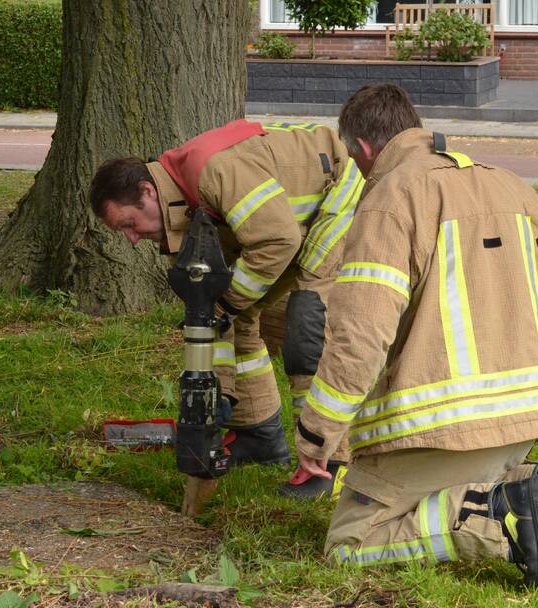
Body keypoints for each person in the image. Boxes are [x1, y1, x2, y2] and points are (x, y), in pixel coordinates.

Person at [293, 84, 538, 589]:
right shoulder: (514, 187)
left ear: (363, 151)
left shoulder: (390, 200)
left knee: (349, 544)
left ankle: (494, 519)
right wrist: (528, 357)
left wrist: (317, 432)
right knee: (462, 482)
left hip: (440, 431)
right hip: (525, 423)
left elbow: (360, 334)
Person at [89, 119, 365, 498]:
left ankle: (330, 465)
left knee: (307, 327)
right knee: (238, 314)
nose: (133, 240)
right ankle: (257, 435)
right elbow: (208, 318)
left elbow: (277, 239)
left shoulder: (215, 172)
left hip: (336, 196)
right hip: (285, 227)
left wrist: (229, 303)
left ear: (147, 192)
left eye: (130, 224)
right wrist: (219, 393)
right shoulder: (178, 218)